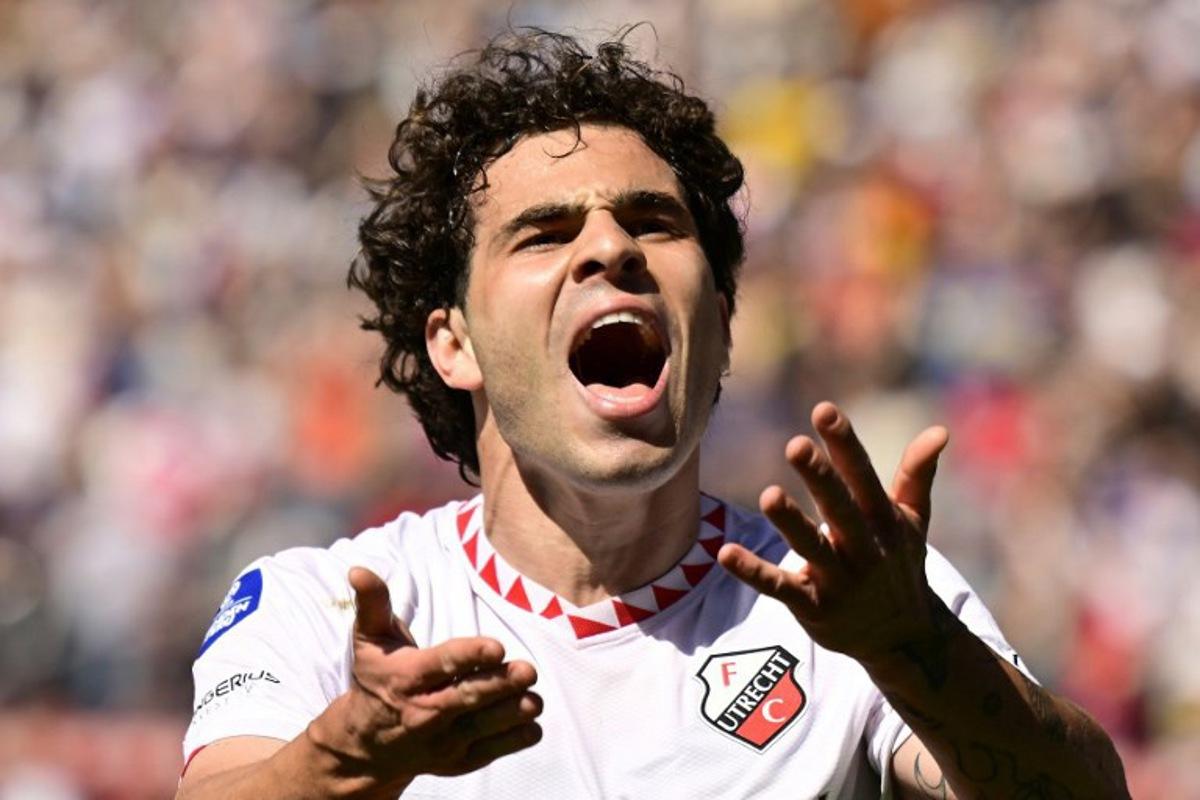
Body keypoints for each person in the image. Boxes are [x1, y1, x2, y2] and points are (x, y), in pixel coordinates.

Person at [175, 29, 1129, 799]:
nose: (610, 249)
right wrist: (352, 761)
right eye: (545, 233)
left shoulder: (845, 605)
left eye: (653, 222)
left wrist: (912, 646)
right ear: (452, 343)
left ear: (716, 323)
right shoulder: (329, 608)